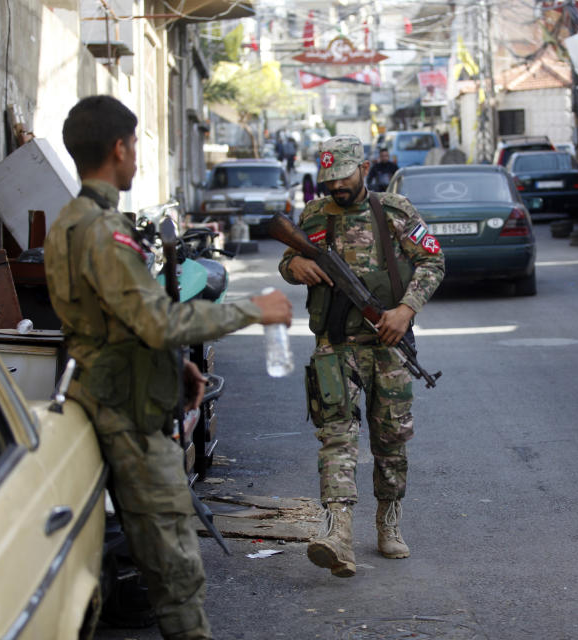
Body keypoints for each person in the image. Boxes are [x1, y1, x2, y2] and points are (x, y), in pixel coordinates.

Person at [44, 95, 292, 640]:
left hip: (107, 394)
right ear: (119, 148)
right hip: (129, 417)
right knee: (176, 570)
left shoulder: (67, 222)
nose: (136, 156)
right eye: (134, 145)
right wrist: (256, 309)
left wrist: (172, 368)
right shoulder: (106, 234)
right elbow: (157, 323)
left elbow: (111, 323)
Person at [277, 135, 445, 577]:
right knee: (337, 437)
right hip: (335, 347)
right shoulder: (314, 215)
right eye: (329, 179)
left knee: (390, 441)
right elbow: (288, 257)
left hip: (387, 346)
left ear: (365, 168)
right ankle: (338, 534)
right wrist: (293, 267)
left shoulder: (395, 211)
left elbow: (432, 262)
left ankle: (388, 523)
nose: (337, 187)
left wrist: (405, 311)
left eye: (344, 177)